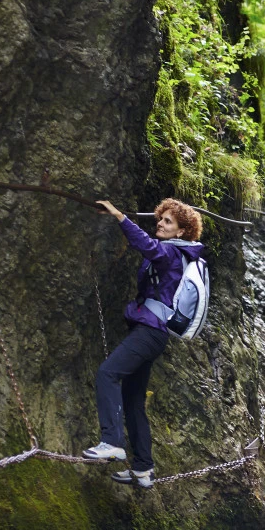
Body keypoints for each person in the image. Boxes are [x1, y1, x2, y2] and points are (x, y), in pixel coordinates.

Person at [82, 198, 204, 488]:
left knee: (108, 373)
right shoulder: (175, 254)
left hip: (150, 333)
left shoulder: (171, 254)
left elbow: (147, 246)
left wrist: (119, 216)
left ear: (181, 232)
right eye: (160, 219)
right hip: (152, 333)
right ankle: (143, 469)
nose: (160, 224)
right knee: (133, 400)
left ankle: (111, 442)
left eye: (168, 222)